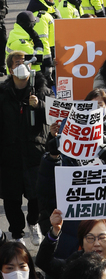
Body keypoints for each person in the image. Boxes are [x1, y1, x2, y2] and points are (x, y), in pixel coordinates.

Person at [0, 51, 52, 243]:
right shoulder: (3, 93)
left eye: (25, 62)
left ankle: (33, 222)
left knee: (36, 195)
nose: (22, 65)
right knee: (11, 197)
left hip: (35, 153)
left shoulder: (43, 90)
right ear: (10, 68)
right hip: (9, 155)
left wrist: (39, 106)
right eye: (17, 63)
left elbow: (54, 117)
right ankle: (17, 234)